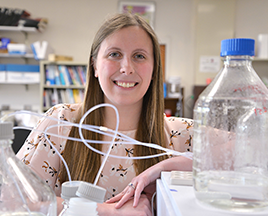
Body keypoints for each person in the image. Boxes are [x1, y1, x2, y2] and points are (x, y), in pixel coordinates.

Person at [16, 12, 193, 215]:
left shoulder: (182, 134)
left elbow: (236, 161)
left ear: (154, 70)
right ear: (95, 66)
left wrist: (164, 168)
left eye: (139, 56)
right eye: (114, 54)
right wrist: (106, 211)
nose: (127, 68)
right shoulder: (60, 123)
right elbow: (11, 198)